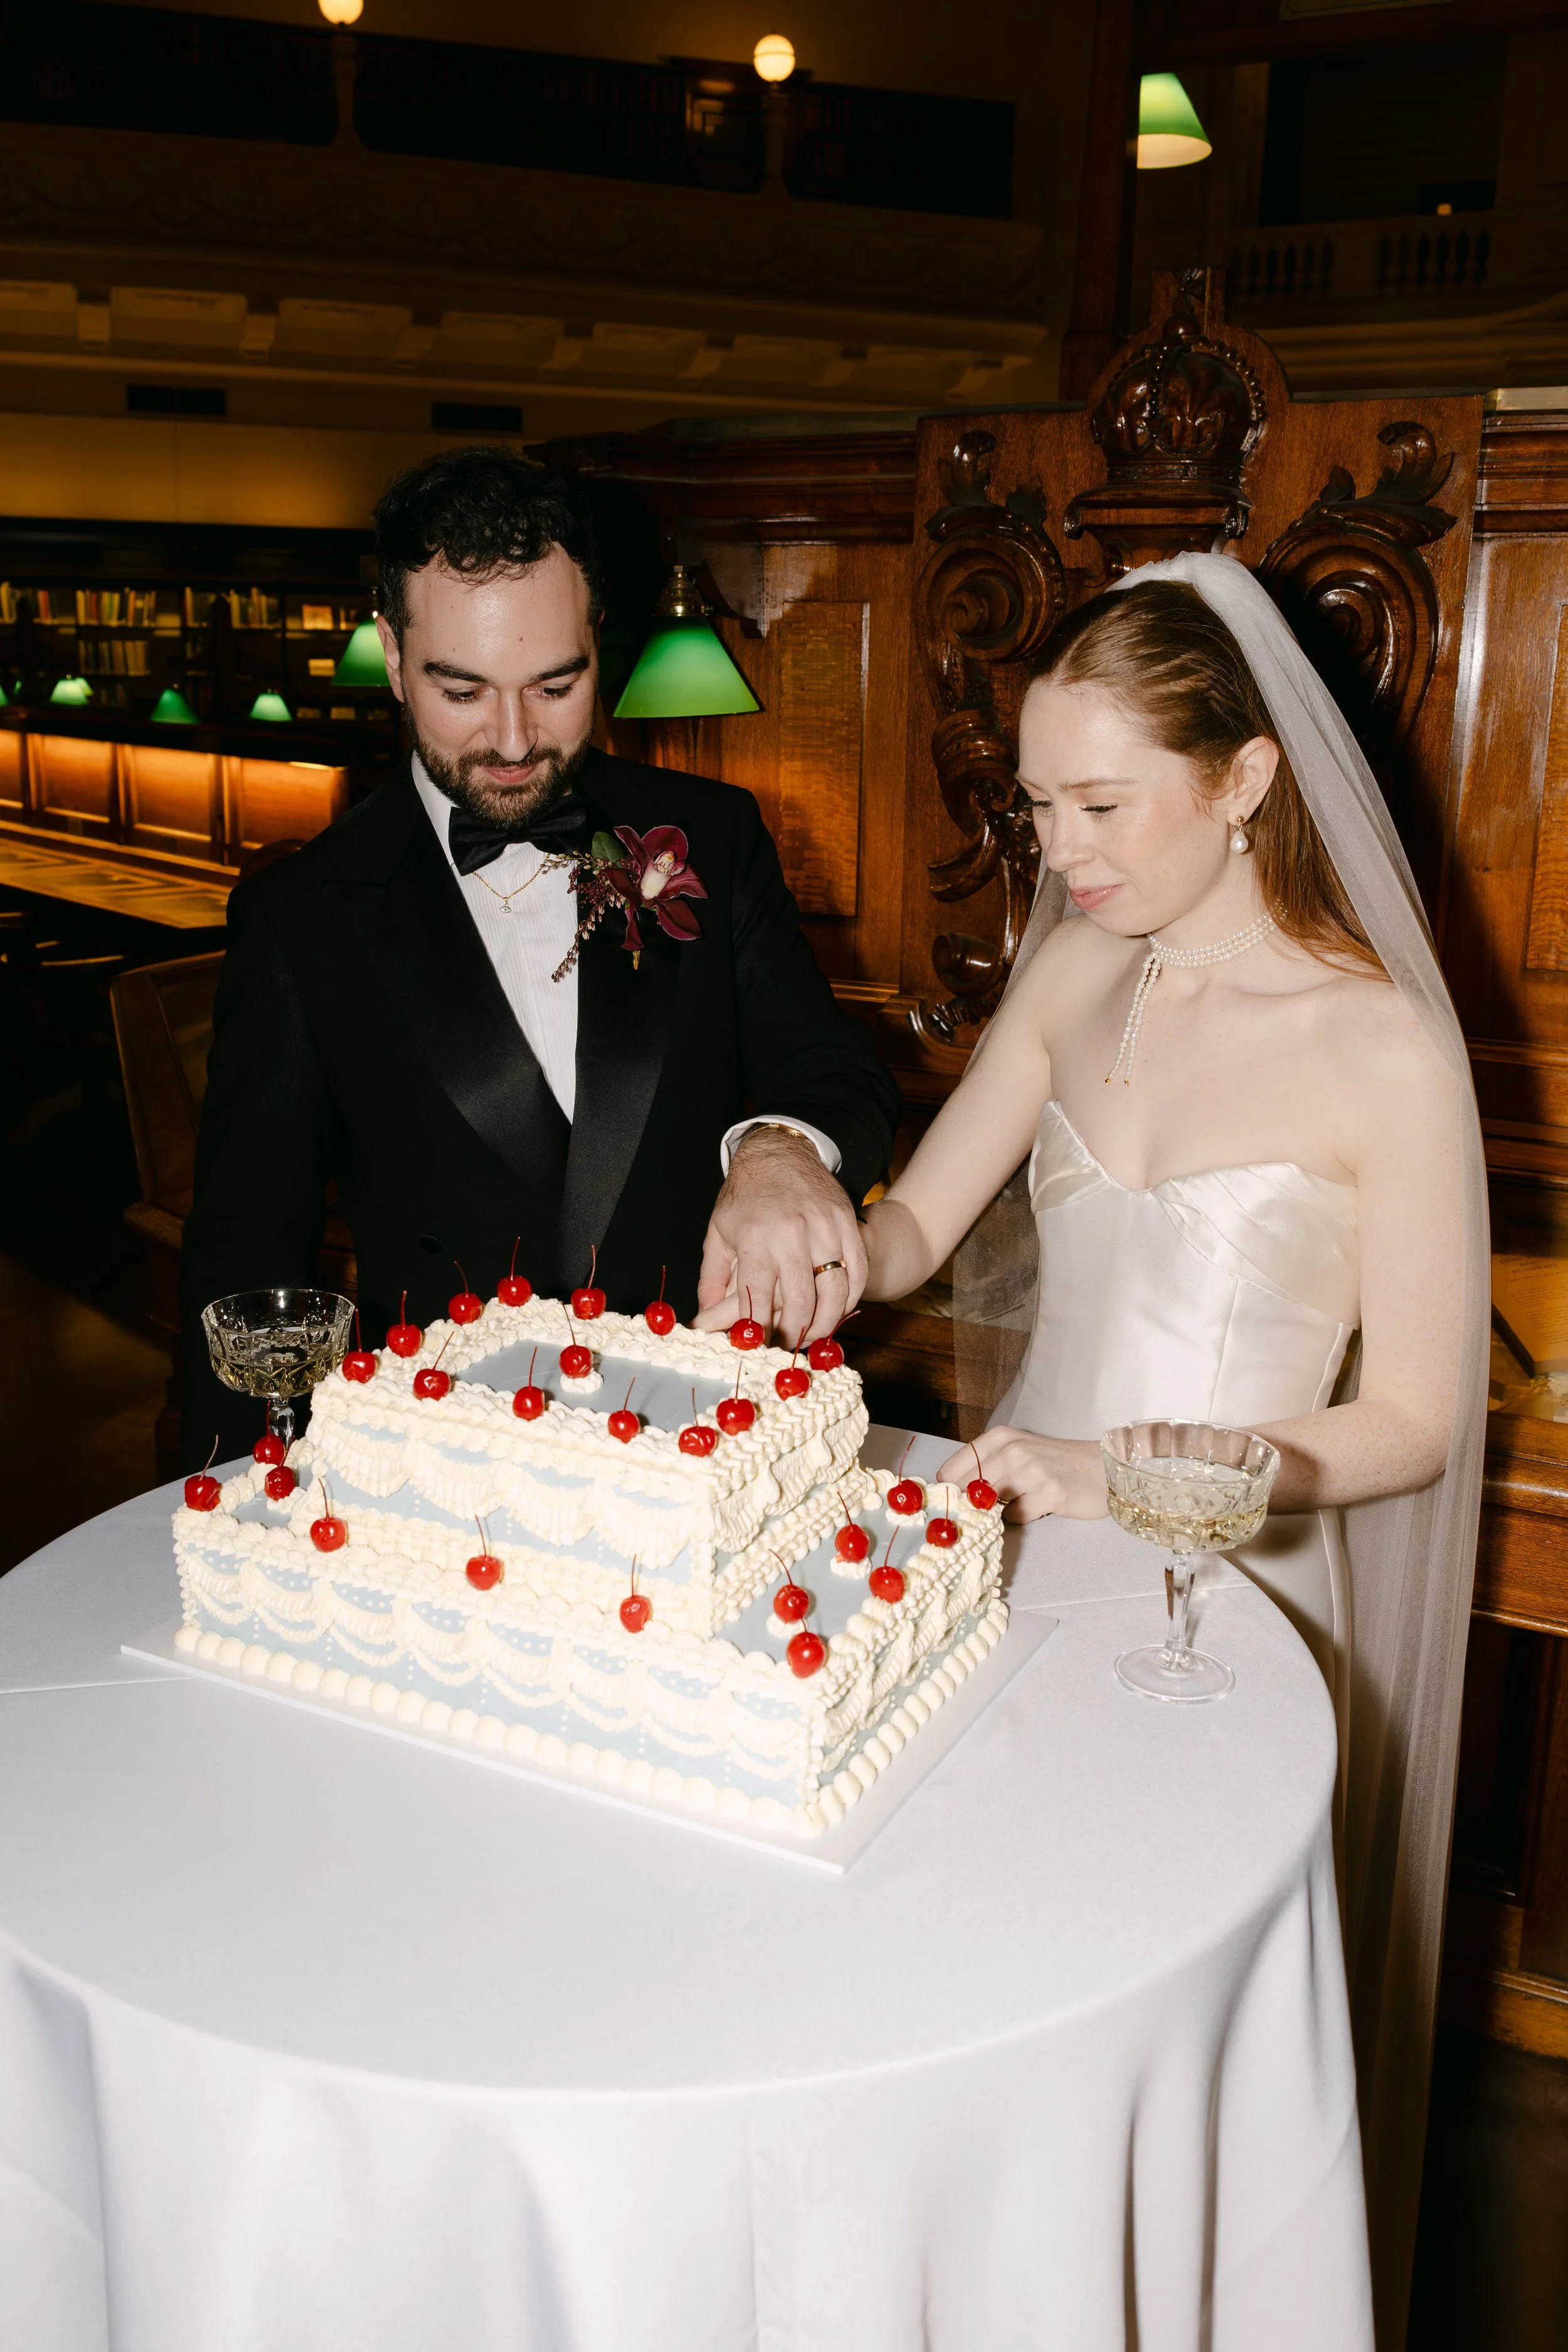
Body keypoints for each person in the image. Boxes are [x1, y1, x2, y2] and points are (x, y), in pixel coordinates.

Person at [859, 554, 1488, 2346]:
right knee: (988, 1989)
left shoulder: (1380, 1046)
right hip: (1012, 1555)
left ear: (1244, 778)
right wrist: (810, 1225)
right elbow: (911, 1232)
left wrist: (1130, 1473)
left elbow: (1415, 1420)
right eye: (1037, 805)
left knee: (1158, 2034)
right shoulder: (1073, 968)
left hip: (1233, 1607)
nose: (1057, 850)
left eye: (1100, 804)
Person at [180, 447, 899, 1462]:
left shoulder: (710, 835)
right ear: (392, 654)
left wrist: (779, 1149)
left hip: (708, 1435)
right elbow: (245, 1253)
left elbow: (832, 1068)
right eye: (462, 691)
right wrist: (229, 1498)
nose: (515, 741)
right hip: (444, 1462)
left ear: (596, 636)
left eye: (556, 684)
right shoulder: (301, 915)